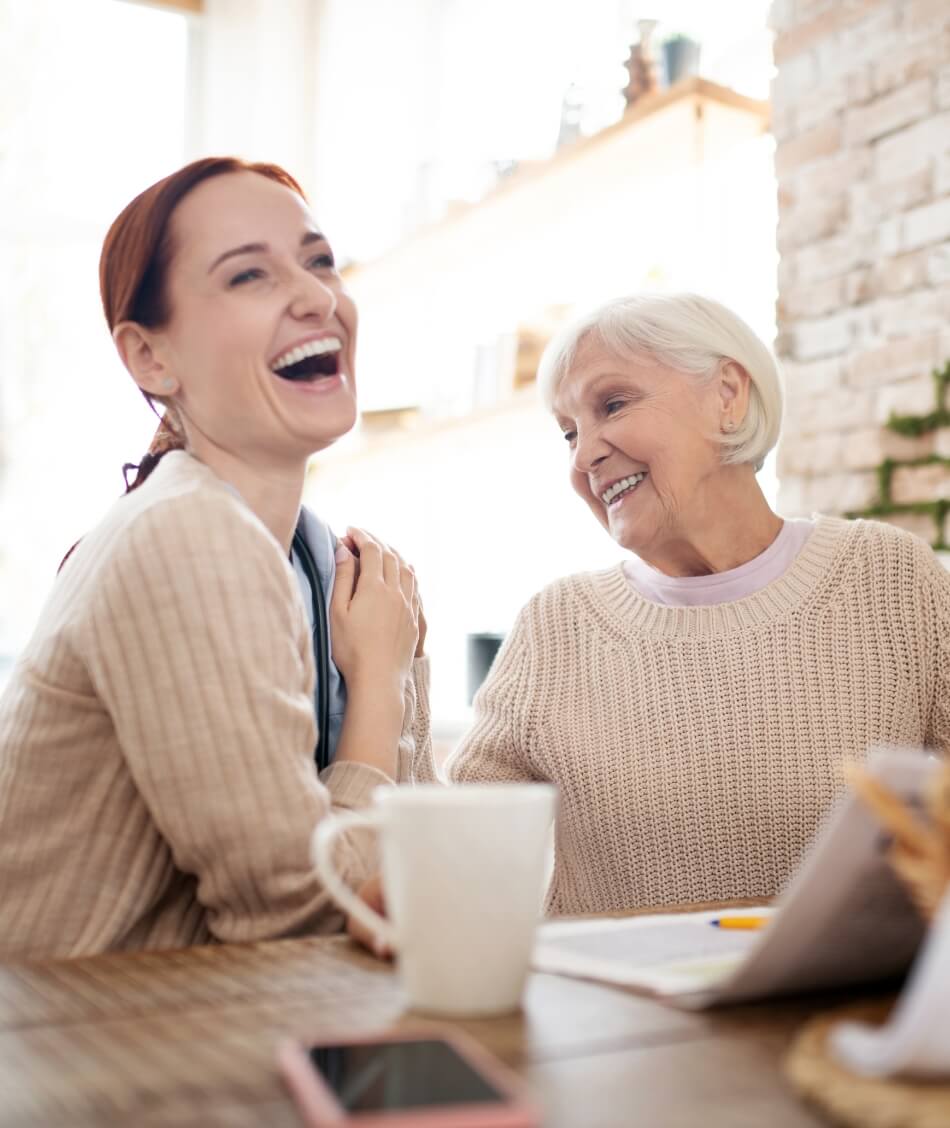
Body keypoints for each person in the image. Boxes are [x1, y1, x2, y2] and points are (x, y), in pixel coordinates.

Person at [0, 157, 431, 960]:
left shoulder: (327, 570)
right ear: (151, 359)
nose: (316, 296)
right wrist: (382, 683)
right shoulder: (185, 534)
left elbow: (414, 884)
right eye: (248, 277)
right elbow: (304, 909)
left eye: (319, 260)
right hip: (73, 1057)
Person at [442, 292, 950, 917]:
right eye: (569, 432)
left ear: (728, 397)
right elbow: (451, 858)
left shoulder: (889, 578)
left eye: (614, 405)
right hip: (621, 1012)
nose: (583, 456)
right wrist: (391, 681)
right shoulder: (559, 625)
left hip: (845, 1011)